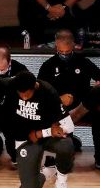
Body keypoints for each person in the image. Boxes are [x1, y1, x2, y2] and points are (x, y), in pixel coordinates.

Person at [37, 30, 100, 161]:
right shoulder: (47, 66)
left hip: (83, 107)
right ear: (56, 46)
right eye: (61, 52)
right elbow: (40, 94)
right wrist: (58, 99)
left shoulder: (84, 62)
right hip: (59, 110)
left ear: (73, 46)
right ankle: (66, 148)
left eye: (67, 52)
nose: (64, 55)